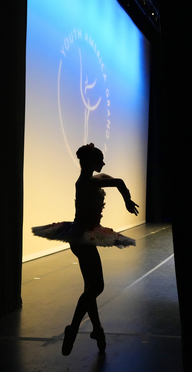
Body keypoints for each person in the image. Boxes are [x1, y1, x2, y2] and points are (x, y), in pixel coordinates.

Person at [32, 143, 139, 355]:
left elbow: (116, 181)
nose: (103, 163)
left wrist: (125, 196)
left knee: (90, 286)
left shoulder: (93, 179)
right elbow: (118, 182)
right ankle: (73, 327)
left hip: (84, 234)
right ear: (89, 161)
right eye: (100, 159)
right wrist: (127, 200)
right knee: (97, 286)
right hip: (82, 236)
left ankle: (97, 330)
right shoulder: (85, 183)